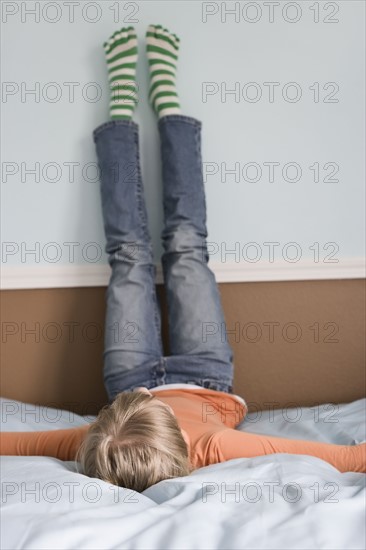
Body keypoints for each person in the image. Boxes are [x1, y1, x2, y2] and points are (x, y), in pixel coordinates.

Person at [1, 25, 365, 492]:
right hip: (206, 377)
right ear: (186, 453)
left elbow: (17, 442)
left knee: (129, 255)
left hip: (130, 384)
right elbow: (345, 456)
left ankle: (120, 104)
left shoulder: (99, 439)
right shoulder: (211, 443)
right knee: (187, 246)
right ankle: (168, 101)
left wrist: (127, 409)